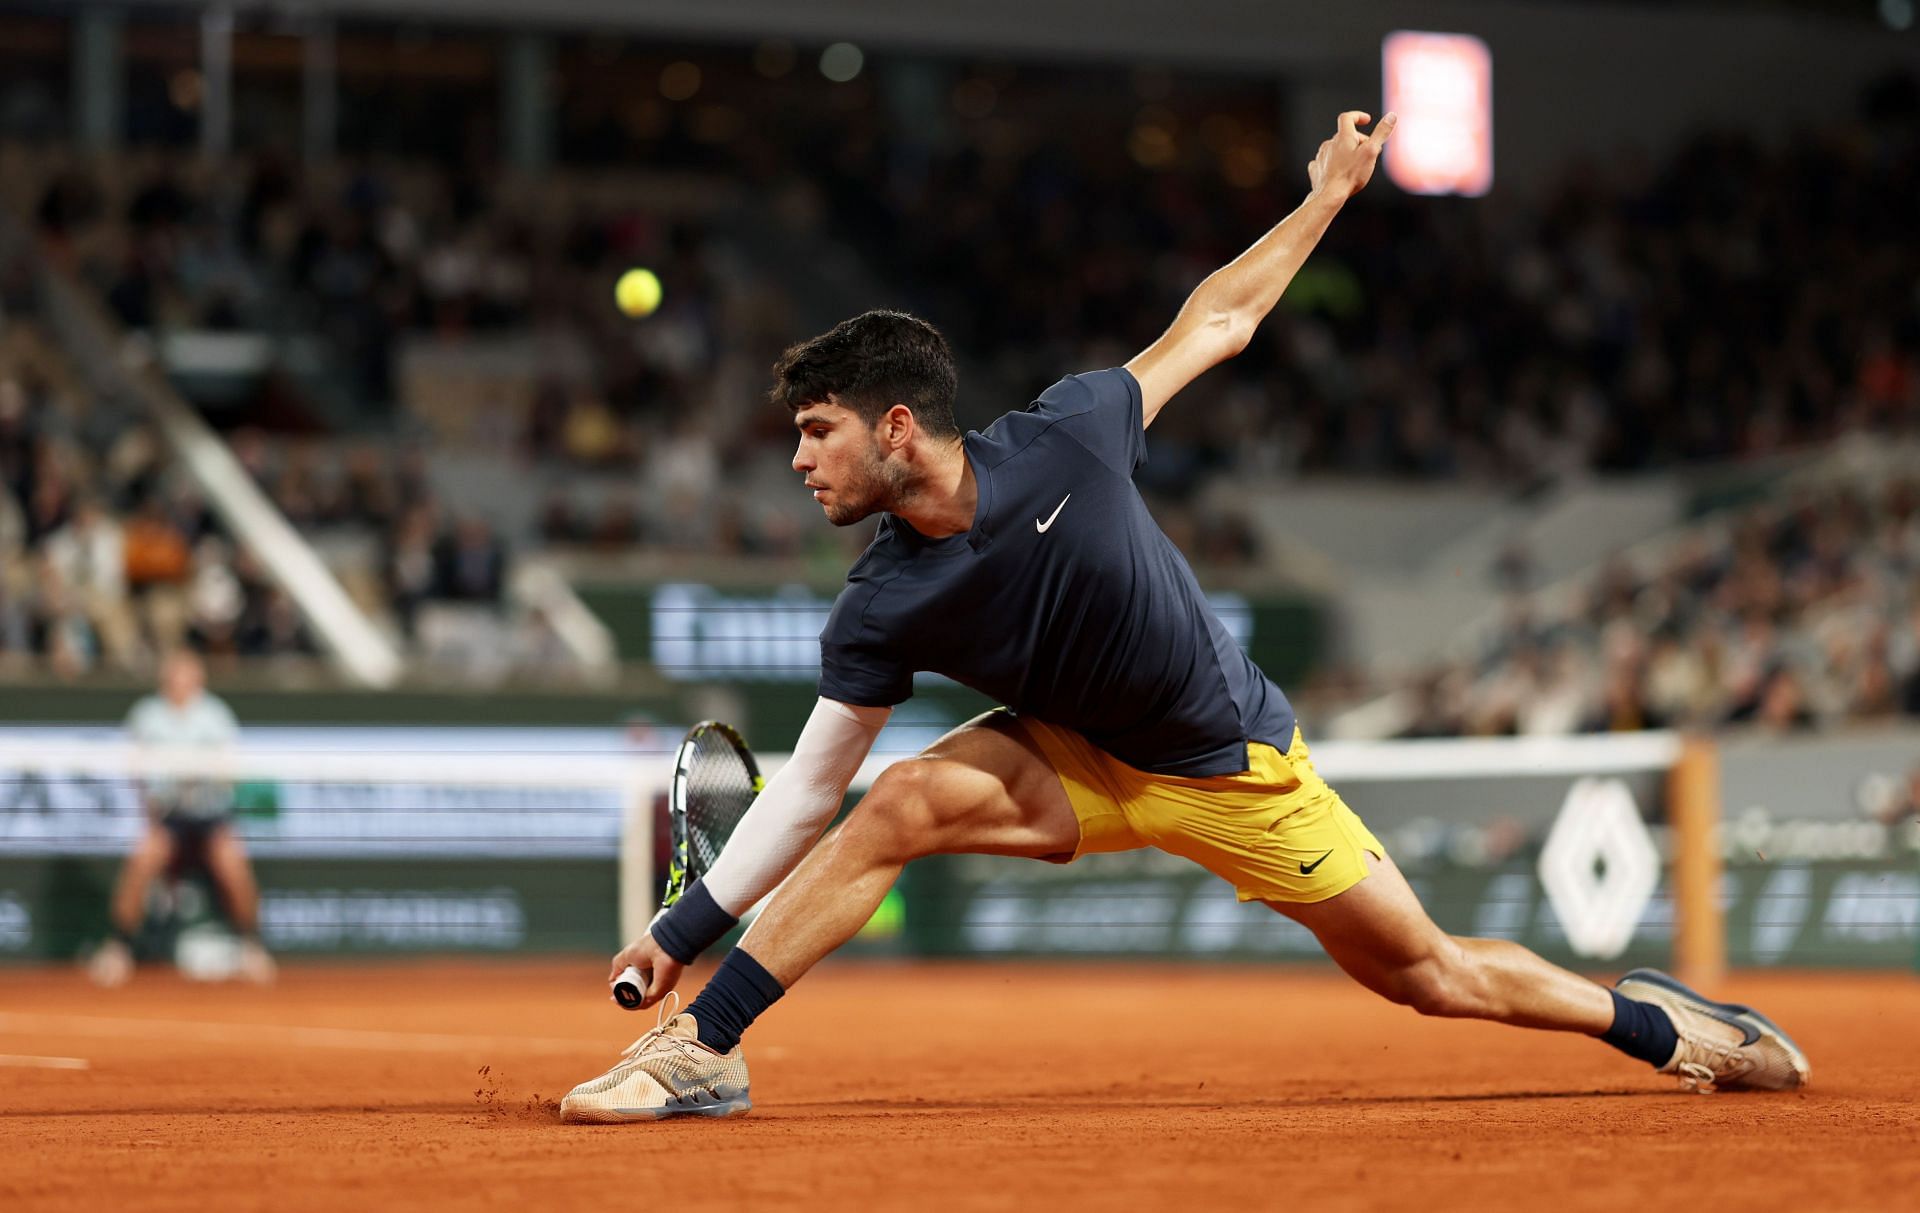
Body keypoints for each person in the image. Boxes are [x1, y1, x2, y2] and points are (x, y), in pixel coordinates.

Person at [560, 112, 1807, 1123]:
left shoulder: (1069, 438)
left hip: (1231, 765)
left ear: (897, 428)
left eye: (815, 430)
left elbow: (1219, 318)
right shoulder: (884, 597)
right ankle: (705, 1050)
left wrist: (1326, 196)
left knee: (1430, 976)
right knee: (900, 803)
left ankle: (1663, 1026)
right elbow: (809, 791)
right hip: (1074, 757)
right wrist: (685, 932)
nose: (797, 460)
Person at [88, 650, 274, 986]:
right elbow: (135, 770)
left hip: (211, 816)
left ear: (198, 680)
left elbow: (229, 770)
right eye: (174, 676)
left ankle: (252, 947)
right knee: (143, 858)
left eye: (187, 677)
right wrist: (154, 808)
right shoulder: (146, 715)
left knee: (233, 865)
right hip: (169, 817)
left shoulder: (216, 714)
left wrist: (200, 776)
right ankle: (119, 948)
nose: (180, 683)